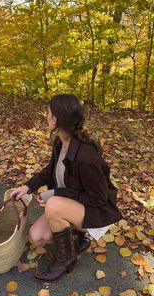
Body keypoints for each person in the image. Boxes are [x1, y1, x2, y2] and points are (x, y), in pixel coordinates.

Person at [11, 94, 122, 282]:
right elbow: (49, 171)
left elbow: (98, 199)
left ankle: (66, 260)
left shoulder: (87, 158)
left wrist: (55, 193)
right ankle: (77, 239)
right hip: (74, 203)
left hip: (97, 211)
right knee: (36, 236)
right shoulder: (60, 142)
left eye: (48, 113)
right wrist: (27, 187)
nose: (46, 117)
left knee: (53, 204)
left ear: (55, 119)